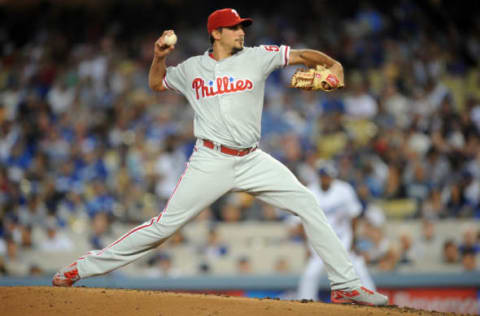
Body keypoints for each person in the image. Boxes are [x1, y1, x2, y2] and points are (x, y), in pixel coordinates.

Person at [52, 8, 387, 306]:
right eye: (235, 28)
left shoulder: (258, 56)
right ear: (216, 33)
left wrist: (331, 64)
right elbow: (156, 84)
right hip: (210, 160)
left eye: (242, 27)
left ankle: (346, 285)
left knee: (308, 203)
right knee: (164, 228)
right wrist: (158, 57)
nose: (242, 32)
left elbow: (301, 55)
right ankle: (80, 268)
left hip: (252, 159)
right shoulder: (193, 68)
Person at [297, 161, 376, 301]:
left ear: (333, 176)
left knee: (358, 267)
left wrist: (353, 241)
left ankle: (374, 302)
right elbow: (304, 221)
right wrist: (307, 245)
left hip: (342, 237)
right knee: (311, 273)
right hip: (320, 240)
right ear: (318, 176)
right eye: (323, 176)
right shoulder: (310, 191)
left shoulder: (344, 190)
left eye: (328, 176)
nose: (325, 178)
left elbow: (354, 215)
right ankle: (304, 304)